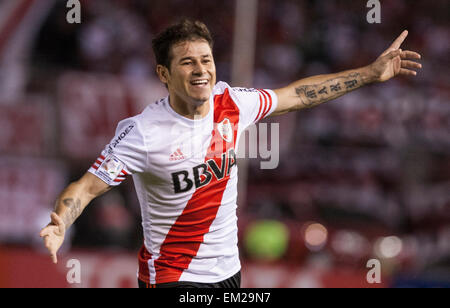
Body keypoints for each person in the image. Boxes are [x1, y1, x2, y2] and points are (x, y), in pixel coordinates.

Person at [40, 19, 421, 288]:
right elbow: (86, 187)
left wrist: (369, 74)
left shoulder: (233, 104)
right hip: (173, 277)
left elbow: (298, 94)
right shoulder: (142, 133)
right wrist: (60, 221)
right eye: (187, 62)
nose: (201, 70)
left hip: (228, 274)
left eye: (206, 60)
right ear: (163, 73)